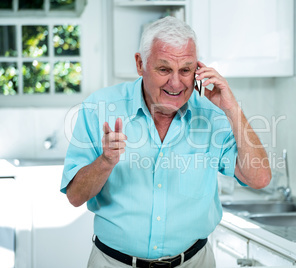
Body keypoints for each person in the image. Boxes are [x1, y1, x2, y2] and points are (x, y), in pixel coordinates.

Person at [61, 16, 271, 268]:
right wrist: (105, 162)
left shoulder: (213, 115)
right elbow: (75, 196)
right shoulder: (99, 108)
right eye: (164, 69)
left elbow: (259, 179)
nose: (175, 83)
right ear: (140, 64)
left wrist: (232, 109)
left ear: (197, 69)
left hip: (194, 262)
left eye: (185, 70)